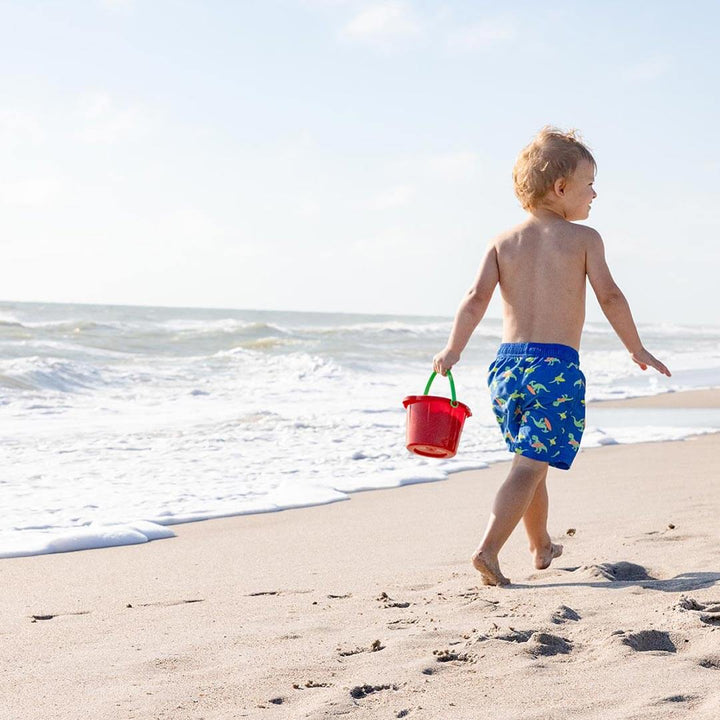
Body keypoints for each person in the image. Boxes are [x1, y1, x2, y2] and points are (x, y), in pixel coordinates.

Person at [432, 127, 671, 587]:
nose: (595, 193)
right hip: (554, 368)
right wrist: (636, 347)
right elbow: (612, 297)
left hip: (506, 368)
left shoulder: (502, 241)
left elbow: (475, 298)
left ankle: (540, 544)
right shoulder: (583, 238)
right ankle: (488, 549)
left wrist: (453, 348)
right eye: (589, 183)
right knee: (529, 464)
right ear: (561, 189)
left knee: (531, 459)